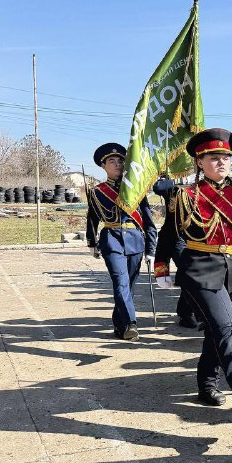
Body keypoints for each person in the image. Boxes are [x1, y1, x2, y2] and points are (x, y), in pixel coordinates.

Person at [153, 128, 232, 416]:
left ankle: (206, 384)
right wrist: (161, 266)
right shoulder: (184, 195)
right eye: (213, 158)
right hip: (200, 268)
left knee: (218, 330)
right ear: (199, 162)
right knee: (227, 327)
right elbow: (169, 234)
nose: (221, 162)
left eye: (225, 157)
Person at [86, 143, 157, 342]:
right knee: (120, 283)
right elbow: (92, 219)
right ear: (103, 166)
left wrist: (151, 248)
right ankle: (131, 324)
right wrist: (92, 242)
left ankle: (120, 325)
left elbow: (148, 221)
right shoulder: (97, 192)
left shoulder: (136, 188)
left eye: (120, 161)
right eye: (112, 161)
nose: (117, 164)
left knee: (129, 286)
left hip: (135, 240)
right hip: (112, 240)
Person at [152, 173, 201, 329]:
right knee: (190, 273)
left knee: (195, 276)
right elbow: (158, 187)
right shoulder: (174, 186)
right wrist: (184, 179)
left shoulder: (203, 185)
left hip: (199, 239)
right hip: (178, 238)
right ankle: (186, 313)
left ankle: (187, 310)